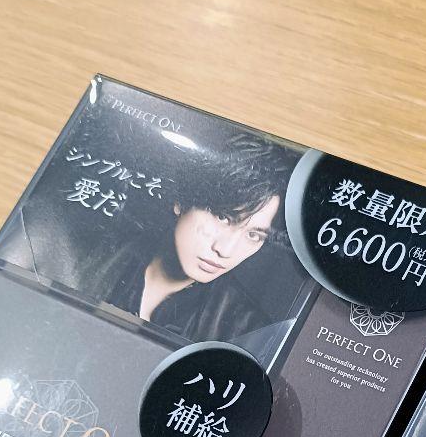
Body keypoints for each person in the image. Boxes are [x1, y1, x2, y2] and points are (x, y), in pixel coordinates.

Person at [78, 131, 296, 341]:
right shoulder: (87, 254)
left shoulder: (247, 330)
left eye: (253, 235)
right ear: (182, 202)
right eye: (223, 217)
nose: (225, 250)